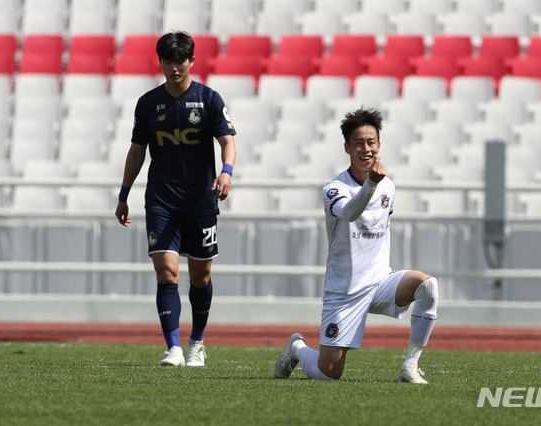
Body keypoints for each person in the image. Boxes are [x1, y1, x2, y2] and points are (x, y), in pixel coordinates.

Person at [272, 108, 438, 383]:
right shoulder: (334, 188)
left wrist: (375, 184)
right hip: (345, 290)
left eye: (371, 142)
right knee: (329, 374)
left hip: (379, 281)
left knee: (427, 285)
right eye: (358, 143)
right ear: (347, 147)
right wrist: (371, 184)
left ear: (379, 145)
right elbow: (350, 213)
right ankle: (297, 348)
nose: (366, 149)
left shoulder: (388, 187)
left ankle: (410, 366)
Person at [114, 31, 236, 367]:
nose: (174, 67)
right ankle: (173, 347)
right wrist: (124, 194)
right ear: (161, 63)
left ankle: (197, 342)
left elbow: (227, 140)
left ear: (191, 61)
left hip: (200, 201)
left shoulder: (209, 99)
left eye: (180, 61)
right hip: (161, 201)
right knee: (167, 273)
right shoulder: (149, 103)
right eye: (168, 61)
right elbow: (137, 150)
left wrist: (226, 171)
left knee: (201, 277)